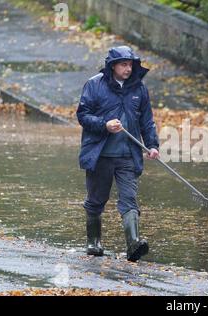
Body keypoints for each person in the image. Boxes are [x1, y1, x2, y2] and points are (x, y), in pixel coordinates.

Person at [76, 46, 160, 262]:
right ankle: (93, 243)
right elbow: (83, 115)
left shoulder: (139, 89)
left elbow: (147, 121)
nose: (128, 69)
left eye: (131, 64)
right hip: (100, 154)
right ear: (113, 65)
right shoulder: (94, 84)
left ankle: (133, 244)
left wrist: (152, 145)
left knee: (129, 199)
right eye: (124, 64)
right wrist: (104, 125)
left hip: (128, 155)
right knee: (96, 200)